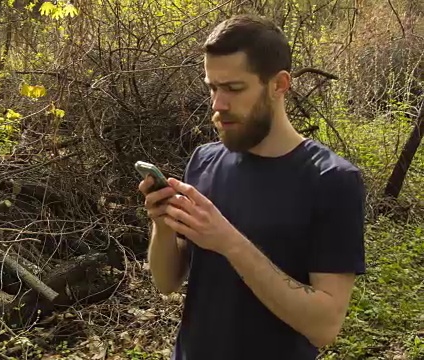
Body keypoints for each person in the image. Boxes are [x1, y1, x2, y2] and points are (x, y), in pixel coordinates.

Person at [138, 14, 366, 360]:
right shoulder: (204, 160)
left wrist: (229, 242)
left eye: (233, 89)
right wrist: (162, 226)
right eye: (213, 88)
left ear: (279, 85)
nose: (217, 105)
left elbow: (325, 326)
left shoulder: (331, 179)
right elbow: (167, 283)